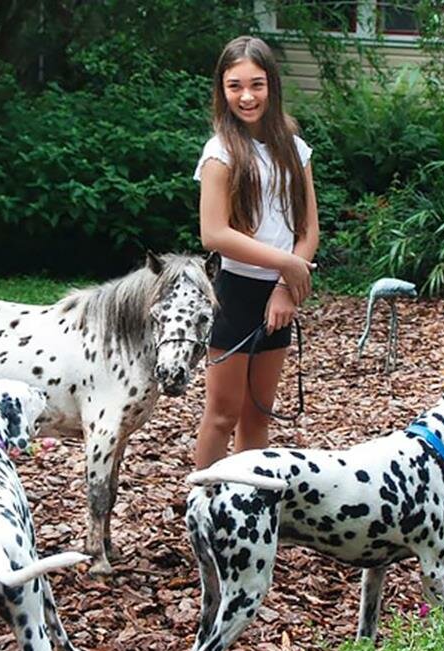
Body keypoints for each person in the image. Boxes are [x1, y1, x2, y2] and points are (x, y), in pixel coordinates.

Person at [193, 35, 319, 470]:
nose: (246, 96)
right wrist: (285, 262)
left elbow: (308, 229)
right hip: (236, 293)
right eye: (234, 86)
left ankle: (245, 508)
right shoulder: (220, 152)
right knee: (223, 415)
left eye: (257, 84)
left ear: (272, 85)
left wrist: (286, 285)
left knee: (258, 415)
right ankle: (204, 507)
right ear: (222, 90)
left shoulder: (295, 149)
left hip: (281, 296)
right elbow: (213, 233)